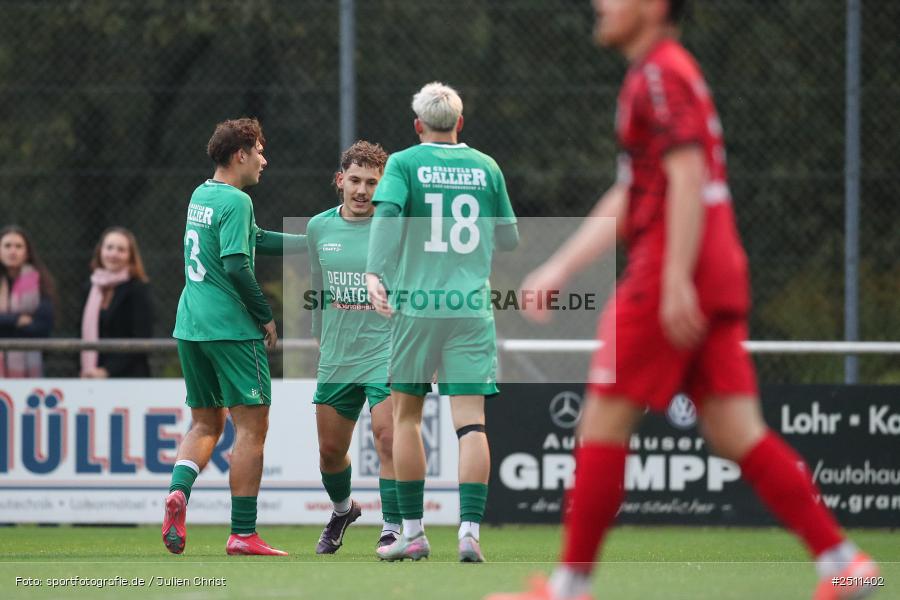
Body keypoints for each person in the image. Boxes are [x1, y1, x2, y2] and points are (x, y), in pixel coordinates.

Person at [487, 2, 879, 599]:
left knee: (602, 420)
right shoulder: (669, 71)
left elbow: (688, 174)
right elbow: (636, 187)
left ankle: (567, 589)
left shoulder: (657, 75)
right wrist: (563, 264)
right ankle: (844, 562)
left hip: (669, 271)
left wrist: (673, 279)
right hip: (713, 269)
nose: (600, 4)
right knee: (736, 431)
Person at [365, 82, 519, 563]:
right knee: (471, 424)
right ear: (460, 123)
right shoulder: (487, 166)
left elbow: (386, 216)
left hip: (418, 307)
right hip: (471, 308)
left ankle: (412, 532)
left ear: (417, 126)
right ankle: (469, 532)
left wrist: (374, 272)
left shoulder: (405, 164)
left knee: (407, 418)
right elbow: (510, 239)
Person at [162, 117, 307, 557]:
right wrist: (264, 315)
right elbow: (236, 265)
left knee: (206, 422)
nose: (264, 159)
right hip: (230, 329)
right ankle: (243, 533)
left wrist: (313, 237)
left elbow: (254, 239)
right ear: (240, 154)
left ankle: (179, 493)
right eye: (259, 150)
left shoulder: (202, 194)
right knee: (252, 428)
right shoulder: (238, 202)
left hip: (191, 325)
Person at [306, 141, 399, 555]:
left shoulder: (397, 228)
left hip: (389, 351)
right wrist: (317, 334)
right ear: (340, 180)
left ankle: (395, 527)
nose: (362, 191)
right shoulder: (318, 228)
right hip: (338, 356)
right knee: (330, 453)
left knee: (388, 439)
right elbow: (316, 286)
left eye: (372, 183)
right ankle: (343, 510)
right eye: (355, 180)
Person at [80, 227, 154, 378]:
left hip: (129, 379)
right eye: (109, 247)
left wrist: (107, 371)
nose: (114, 254)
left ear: (130, 256)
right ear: (100, 251)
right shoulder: (89, 288)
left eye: (121, 250)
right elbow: (79, 332)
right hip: (90, 377)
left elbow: (141, 338)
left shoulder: (138, 288)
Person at [0, 226, 55, 377]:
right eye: (7, 246)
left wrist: (4, 323)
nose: (13, 251)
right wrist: (16, 319)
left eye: (18, 246)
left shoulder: (40, 282)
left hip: (30, 362)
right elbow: (28, 324)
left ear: (27, 252)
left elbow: (43, 326)